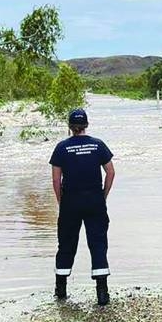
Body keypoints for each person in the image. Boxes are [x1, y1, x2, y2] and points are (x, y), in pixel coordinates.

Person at [49, 107, 115, 306]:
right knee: (98, 243)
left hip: (70, 202)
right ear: (86, 125)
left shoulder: (61, 148)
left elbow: (55, 179)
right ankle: (102, 294)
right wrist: (103, 196)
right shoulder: (98, 145)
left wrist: (61, 201)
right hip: (95, 201)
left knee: (66, 244)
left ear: (70, 127)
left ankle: (61, 290)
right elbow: (111, 172)